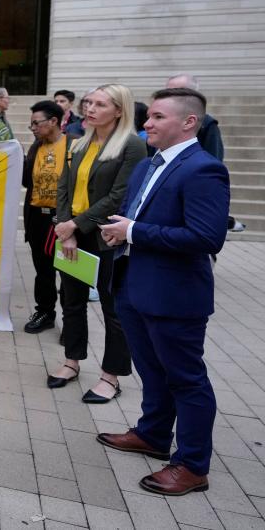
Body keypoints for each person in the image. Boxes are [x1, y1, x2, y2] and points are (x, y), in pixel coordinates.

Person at [97, 87, 229, 496]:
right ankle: (153, 434)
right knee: (152, 371)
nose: (146, 124)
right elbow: (137, 218)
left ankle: (192, 465)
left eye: (156, 117)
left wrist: (133, 231)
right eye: (148, 116)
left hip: (174, 296)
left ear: (189, 122)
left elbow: (207, 237)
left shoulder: (203, 169)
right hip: (135, 287)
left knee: (186, 380)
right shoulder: (148, 165)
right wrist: (124, 233)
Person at [48, 84, 147, 403]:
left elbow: (119, 195)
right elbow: (63, 186)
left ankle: (111, 376)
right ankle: (71, 361)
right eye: (88, 103)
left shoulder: (131, 146)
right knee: (72, 299)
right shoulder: (78, 142)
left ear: (119, 110)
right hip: (72, 232)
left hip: (106, 236)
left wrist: (75, 224)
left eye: (100, 104)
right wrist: (68, 230)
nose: (90, 109)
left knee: (112, 306)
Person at [165, 73, 240, 231]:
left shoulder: (206, 124)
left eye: (178, 91)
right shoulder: (161, 122)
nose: (171, 96)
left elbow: (212, 162)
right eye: (168, 91)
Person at [22, 100, 70, 333]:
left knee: (70, 274)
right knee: (43, 271)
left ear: (53, 121)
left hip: (64, 220)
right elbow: (26, 180)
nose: (33, 128)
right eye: (31, 124)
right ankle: (45, 312)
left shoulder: (73, 145)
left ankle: (72, 324)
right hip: (37, 218)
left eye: (36, 123)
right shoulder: (36, 147)